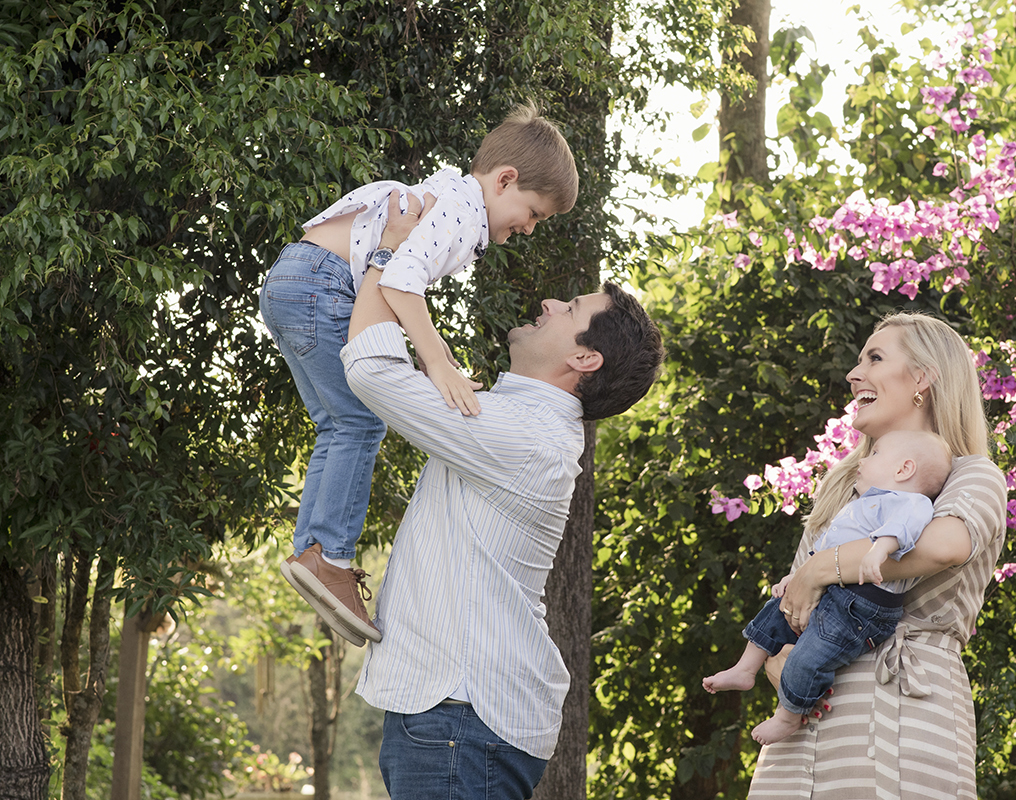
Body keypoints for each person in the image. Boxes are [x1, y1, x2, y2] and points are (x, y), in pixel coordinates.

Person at [333, 193, 663, 798]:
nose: (549, 302)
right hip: (451, 715)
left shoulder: (528, 437)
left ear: (583, 357)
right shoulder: (513, 421)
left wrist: (394, 248)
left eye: (570, 307)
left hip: (461, 716)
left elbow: (373, 371)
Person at [259, 104, 578, 644]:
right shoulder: (462, 215)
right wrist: (436, 363)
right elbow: (400, 283)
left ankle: (314, 551)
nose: (528, 228)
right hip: (323, 285)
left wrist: (436, 355)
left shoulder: (450, 196)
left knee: (339, 426)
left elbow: (397, 285)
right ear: (505, 181)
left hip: (292, 278)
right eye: (534, 213)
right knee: (361, 425)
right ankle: (330, 558)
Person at [746, 312, 1007, 800]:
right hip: (805, 717)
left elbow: (944, 545)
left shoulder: (973, 474)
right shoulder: (842, 486)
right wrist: (777, 660)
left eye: (875, 357)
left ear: (922, 379)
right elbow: (795, 602)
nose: (853, 373)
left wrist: (824, 568)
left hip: (907, 705)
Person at [703, 429, 953, 746]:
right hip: (836, 590)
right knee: (776, 609)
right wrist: (797, 578)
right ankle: (744, 669)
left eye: (875, 454)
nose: (863, 459)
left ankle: (788, 717)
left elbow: (903, 529)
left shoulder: (912, 502)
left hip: (863, 605)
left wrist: (879, 550)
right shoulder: (864, 503)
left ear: (904, 470)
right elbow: (825, 552)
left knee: (807, 657)